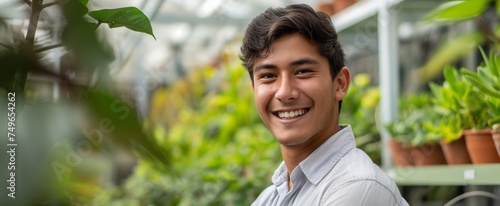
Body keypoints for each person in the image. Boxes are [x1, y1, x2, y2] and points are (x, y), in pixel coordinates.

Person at [240, 4, 408, 206]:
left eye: (302, 71)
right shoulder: (271, 197)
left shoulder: (357, 187)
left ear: (340, 84)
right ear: (254, 90)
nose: (284, 92)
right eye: (268, 76)